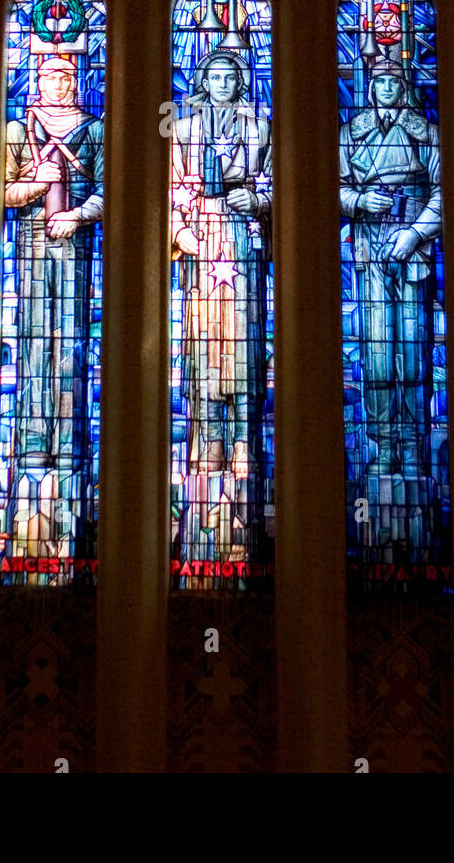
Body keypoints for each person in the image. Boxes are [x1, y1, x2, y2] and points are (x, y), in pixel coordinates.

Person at [171, 48, 271, 563]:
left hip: (243, 245)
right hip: (201, 252)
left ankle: (243, 461)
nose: (224, 81)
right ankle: (206, 464)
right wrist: (180, 229)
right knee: (205, 358)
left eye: (233, 74)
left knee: (246, 358)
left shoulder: (261, 126)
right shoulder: (182, 128)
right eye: (215, 74)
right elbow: (166, 191)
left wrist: (256, 201)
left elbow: (277, 183)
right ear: (203, 79)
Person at [3, 56, 104, 557]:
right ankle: (33, 447)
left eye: (66, 76)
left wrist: (79, 215)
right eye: (48, 77)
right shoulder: (18, 129)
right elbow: (1, 190)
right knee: (34, 342)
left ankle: (70, 447)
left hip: (76, 243)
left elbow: (110, 190)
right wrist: (40, 186)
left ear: (76, 81)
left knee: (72, 344)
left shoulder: (96, 129)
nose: (58, 84)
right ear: (36, 82)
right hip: (33, 240)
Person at [339, 57, 442, 477]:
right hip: (369, 251)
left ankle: (414, 448)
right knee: (378, 354)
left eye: (393, 81)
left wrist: (415, 233)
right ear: (370, 87)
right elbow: (335, 186)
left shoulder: (427, 135)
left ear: (404, 87)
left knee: (414, 356)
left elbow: (445, 190)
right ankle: (383, 446)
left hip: (413, 249)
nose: (385, 88)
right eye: (378, 81)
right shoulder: (352, 133)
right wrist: (361, 201)